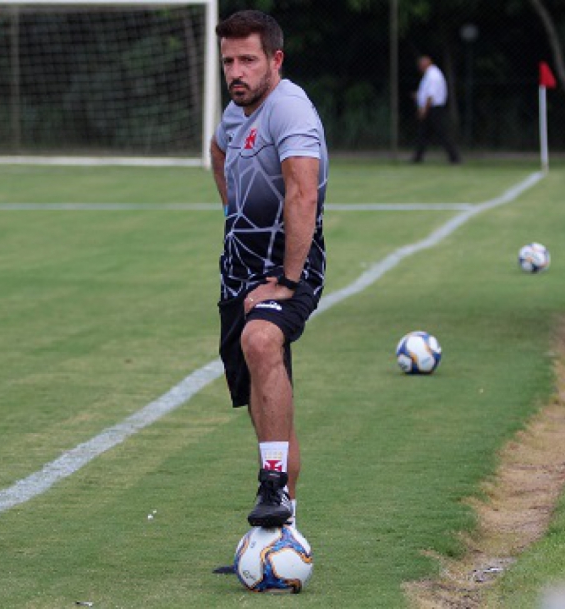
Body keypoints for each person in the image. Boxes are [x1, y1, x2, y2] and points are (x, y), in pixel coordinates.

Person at [210, 10, 328, 529]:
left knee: (261, 341)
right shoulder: (236, 111)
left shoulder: (290, 109)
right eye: (229, 61)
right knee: (263, 400)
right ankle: (282, 528)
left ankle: (274, 485)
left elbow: (303, 193)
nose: (236, 71)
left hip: (289, 269)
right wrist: (232, 213)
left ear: (275, 59)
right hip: (237, 274)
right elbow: (218, 151)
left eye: (248, 60)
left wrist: (288, 278)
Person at [412, 55, 460, 164]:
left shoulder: (433, 75)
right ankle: (417, 157)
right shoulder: (429, 75)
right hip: (431, 108)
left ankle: (455, 157)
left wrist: (424, 109)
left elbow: (431, 95)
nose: (419, 67)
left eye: (421, 64)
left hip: (434, 109)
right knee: (423, 134)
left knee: (442, 133)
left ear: (426, 64)